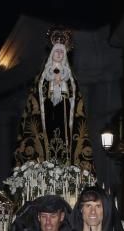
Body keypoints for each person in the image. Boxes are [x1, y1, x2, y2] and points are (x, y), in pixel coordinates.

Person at [12, 30, 95, 174]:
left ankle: (68, 171)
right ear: (52, 54)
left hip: (65, 120)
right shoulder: (43, 77)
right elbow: (36, 100)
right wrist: (52, 84)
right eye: (57, 52)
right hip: (47, 117)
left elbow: (76, 101)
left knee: (65, 145)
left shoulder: (70, 78)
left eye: (62, 52)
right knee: (45, 144)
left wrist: (62, 84)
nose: (59, 55)